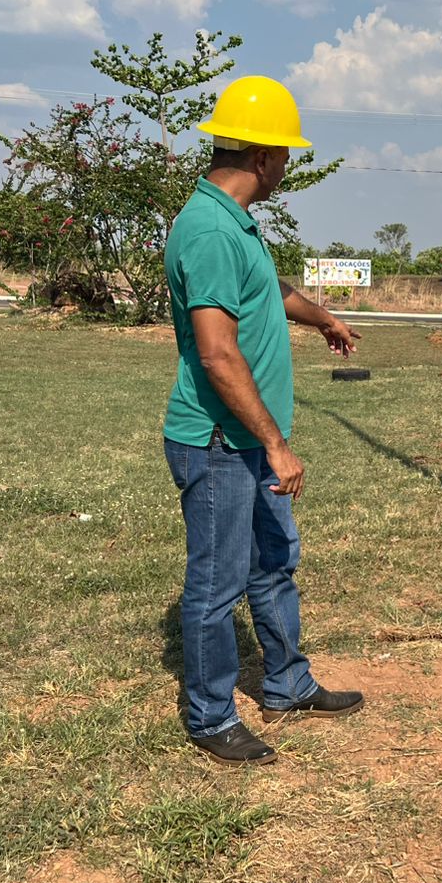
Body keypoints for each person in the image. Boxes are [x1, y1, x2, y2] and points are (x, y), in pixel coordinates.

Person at [162, 74, 363, 766]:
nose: (287, 169)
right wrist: (276, 444)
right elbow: (217, 354)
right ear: (265, 158)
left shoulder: (236, 225)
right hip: (221, 443)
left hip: (248, 441)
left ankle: (286, 684)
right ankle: (211, 715)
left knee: (274, 562)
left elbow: (268, 291)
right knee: (216, 586)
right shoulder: (209, 230)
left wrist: (323, 318)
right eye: (286, 156)